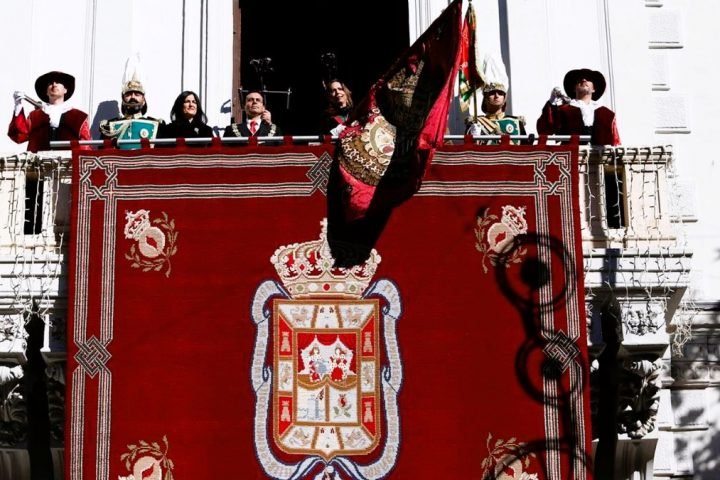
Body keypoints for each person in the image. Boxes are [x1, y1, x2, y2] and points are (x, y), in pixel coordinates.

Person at [8, 70, 91, 152]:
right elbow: (19, 136)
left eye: (58, 82)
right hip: (38, 164)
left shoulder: (79, 117)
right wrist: (18, 106)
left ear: (65, 90)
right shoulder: (34, 116)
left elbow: (86, 147)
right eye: (50, 83)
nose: (54, 84)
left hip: (68, 164)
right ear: (46, 92)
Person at [536, 68, 621, 145]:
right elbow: (544, 130)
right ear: (574, 88)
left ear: (594, 89)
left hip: (601, 160)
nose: (583, 80)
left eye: (588, 78)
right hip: (572, 158)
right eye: (579, 79)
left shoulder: (607, 114)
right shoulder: (563, 110)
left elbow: (616, 142)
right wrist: (552, 102)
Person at [99, 78, 164, 149]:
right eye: (128, 94)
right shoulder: (108, 127)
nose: (133, 97)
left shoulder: (156, 125)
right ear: (123, 100)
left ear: (143, 100)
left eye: (137, 94)